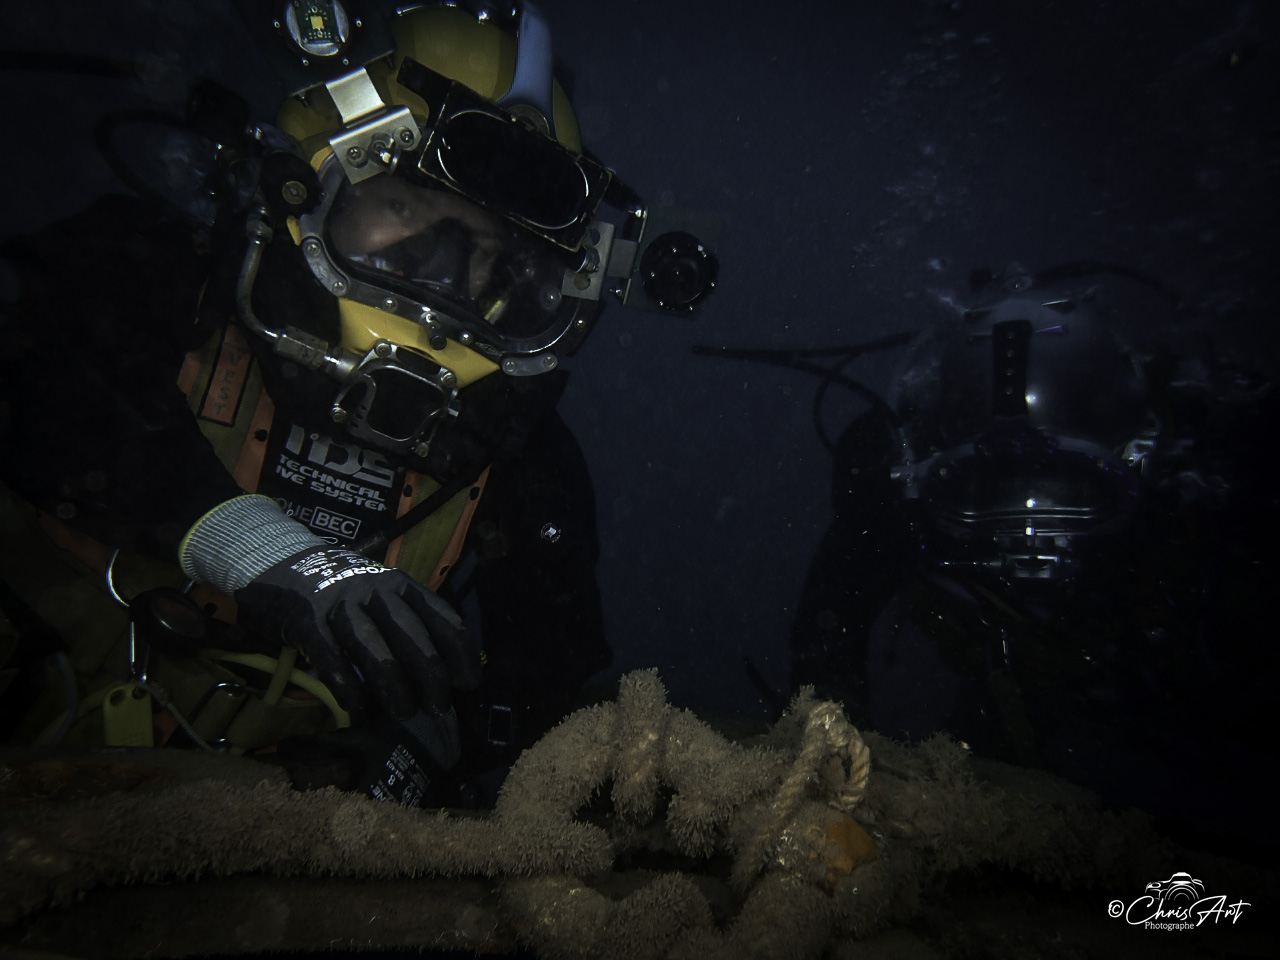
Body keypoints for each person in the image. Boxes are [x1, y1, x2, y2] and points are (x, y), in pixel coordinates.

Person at [0, 1, 710, 807]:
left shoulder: (522, 451)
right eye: (405, 209)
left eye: (490, 252)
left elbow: (547, 680)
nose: (444, 281)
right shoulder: (144, 280)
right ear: (299, 183)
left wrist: (422, 743)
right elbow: (44, 400)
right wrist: (262, 552)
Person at [788, 264, 1275, 846]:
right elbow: (830, 626)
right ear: (934, 472)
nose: (1030, 531)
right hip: (1007, 674)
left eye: (1066, 489)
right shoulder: (900, 505)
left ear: (1137, 460)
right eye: (988, 492)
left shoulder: (1193, 501)